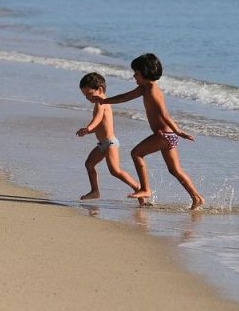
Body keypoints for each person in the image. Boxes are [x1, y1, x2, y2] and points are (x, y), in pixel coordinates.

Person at [95, 54, 204, 209]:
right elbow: (126, 97)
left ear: (146, 73)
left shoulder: (152, 91)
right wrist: (105, 101)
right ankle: (197, 198)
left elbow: (165, 114)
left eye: (137, 73)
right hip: (167, 136)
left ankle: (145, 189)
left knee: (136, 153)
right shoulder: (144, 88)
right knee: (174, 170)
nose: (134, 76)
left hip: (165, 135)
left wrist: (178, 131)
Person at [76, 72, 141, 201]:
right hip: (103, 144)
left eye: (89, 94)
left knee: (115, 171)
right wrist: (88, 131)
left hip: (110, 143)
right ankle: (95, 191)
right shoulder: (98, 103)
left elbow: (98, 119)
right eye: (85, 95)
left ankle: (138, 188)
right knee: (89, 164)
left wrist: (88, 128)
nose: (87, 98)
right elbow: (99, 126)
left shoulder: (102, 103)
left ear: (100, 90)